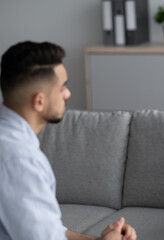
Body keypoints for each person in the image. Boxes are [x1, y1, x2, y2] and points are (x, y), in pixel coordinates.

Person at [0, 41, 137, 240]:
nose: (68, 93)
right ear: (39, 101)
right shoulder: (19, 160)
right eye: (62, 87)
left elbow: (51, 232)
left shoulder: (11, 142)